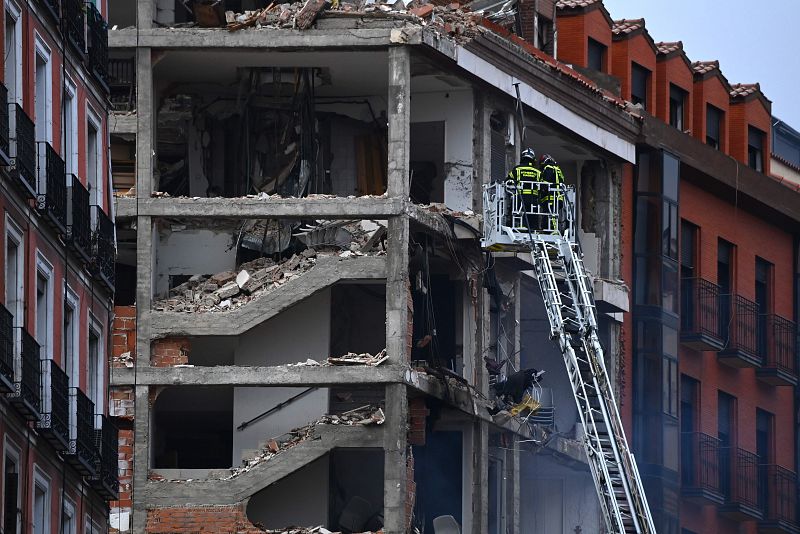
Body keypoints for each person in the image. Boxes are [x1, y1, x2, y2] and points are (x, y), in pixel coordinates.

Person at [506, 148, 540, 229]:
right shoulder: (537, 172)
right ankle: (533, 229)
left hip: (520, 198)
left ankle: (518, 226)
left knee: (517, 214)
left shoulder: (517, 169)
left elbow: (508, 181)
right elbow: (543, 185)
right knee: (532, 217)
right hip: (533, 199)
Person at [539, 154, 565, 233]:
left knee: (551, 216)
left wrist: (540, 189)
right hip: (558, 197)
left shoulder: (548, 168)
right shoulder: (558, 169)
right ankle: (550, 230)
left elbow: (545, 183)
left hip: (550, 197)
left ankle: (554, 231)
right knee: (552, 215)